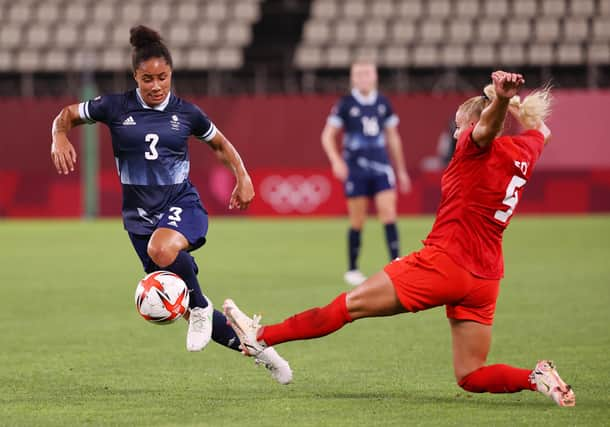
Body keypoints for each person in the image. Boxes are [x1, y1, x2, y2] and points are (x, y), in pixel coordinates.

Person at [223, 71, 576, 406]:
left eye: (456, 127)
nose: (455, 135)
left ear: (468, 126)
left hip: (445, 263)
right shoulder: (523, 152)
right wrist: (513, 105)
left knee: (345, 307)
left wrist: (500, 100)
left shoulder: (472, 147)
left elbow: (484, 129)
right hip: (486, 278)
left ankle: (261, 336)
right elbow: (540, 130)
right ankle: (536, 378)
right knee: (471, 373)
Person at [50, 25, 291, 384]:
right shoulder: (114, 107)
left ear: (171, 75)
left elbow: (221, 145)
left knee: (167, 259)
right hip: (138, 221)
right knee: (177, 301)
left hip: (182, 204)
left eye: (162, 77)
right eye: (147, 78)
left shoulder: (186, 114)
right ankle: (261, 349)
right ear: (136, 77)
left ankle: (200, 306)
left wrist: (243, 176)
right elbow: (67, 115)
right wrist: (58, 136)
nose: (156, 85)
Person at [321, 60, 412, 286]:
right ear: (353, 78)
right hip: (356, 169)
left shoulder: (383, 103)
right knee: (357, 219)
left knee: (388, 213)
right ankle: (352, 269)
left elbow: (393, 137)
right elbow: (327, 135)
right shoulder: (345, 104)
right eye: (358, 74)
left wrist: (400, 170)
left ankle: (396, 264)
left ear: (375, 77)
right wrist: (336, 161)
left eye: (367, 73)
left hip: (381, 166)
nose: (363, 77)